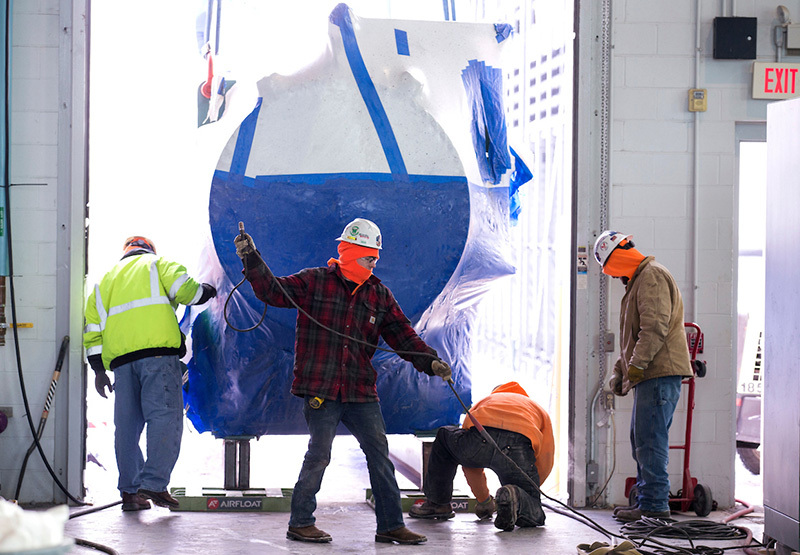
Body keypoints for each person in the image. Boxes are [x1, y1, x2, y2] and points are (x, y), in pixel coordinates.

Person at [234, 217, 452, 545]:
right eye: (368, 256)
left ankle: (391, 525)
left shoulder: (378, 294)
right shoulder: (315, 282)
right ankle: (301, 522)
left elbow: (403, 336)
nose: (374, 262)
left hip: (360, 389)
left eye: (376, 257)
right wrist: (251, 258)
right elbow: (272, 291)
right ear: (348, 251)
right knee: (319, 454)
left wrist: (430, 361)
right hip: (321, 387)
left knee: (379, 454)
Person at [83, 236, 217, 511]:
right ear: (149, 250)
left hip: (121, 365)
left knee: (127, 429)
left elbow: (92, 331)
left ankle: (131, 493)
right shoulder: (158, 264)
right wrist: (209, 290)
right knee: (165, 419)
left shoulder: (104, 282)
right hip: (157, 357)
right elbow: (187, 291)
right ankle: (154, 484)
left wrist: (98, 371)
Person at [592, 230, 693, 522]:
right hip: (650, 374)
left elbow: (654, 328)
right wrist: (620, 371)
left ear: (616, 258)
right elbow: (632, 338)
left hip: (658, 373)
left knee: (650, 440)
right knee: (643, 439)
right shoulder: (639, 280)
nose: (612, 277)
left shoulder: (651, 276)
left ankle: (654, 506)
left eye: (609, 269)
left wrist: (634, 369)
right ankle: (648, 501)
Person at [408, 381, 554, 531]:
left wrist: (483, 500)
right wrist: (528, 489)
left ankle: (438, 504)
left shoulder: (487, 401)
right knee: (534, 511)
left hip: (479, 440)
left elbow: (468, 461)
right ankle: (514, 497)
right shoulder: (534, 407)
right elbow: (545, 457)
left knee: (445, 436)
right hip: (518, 447)